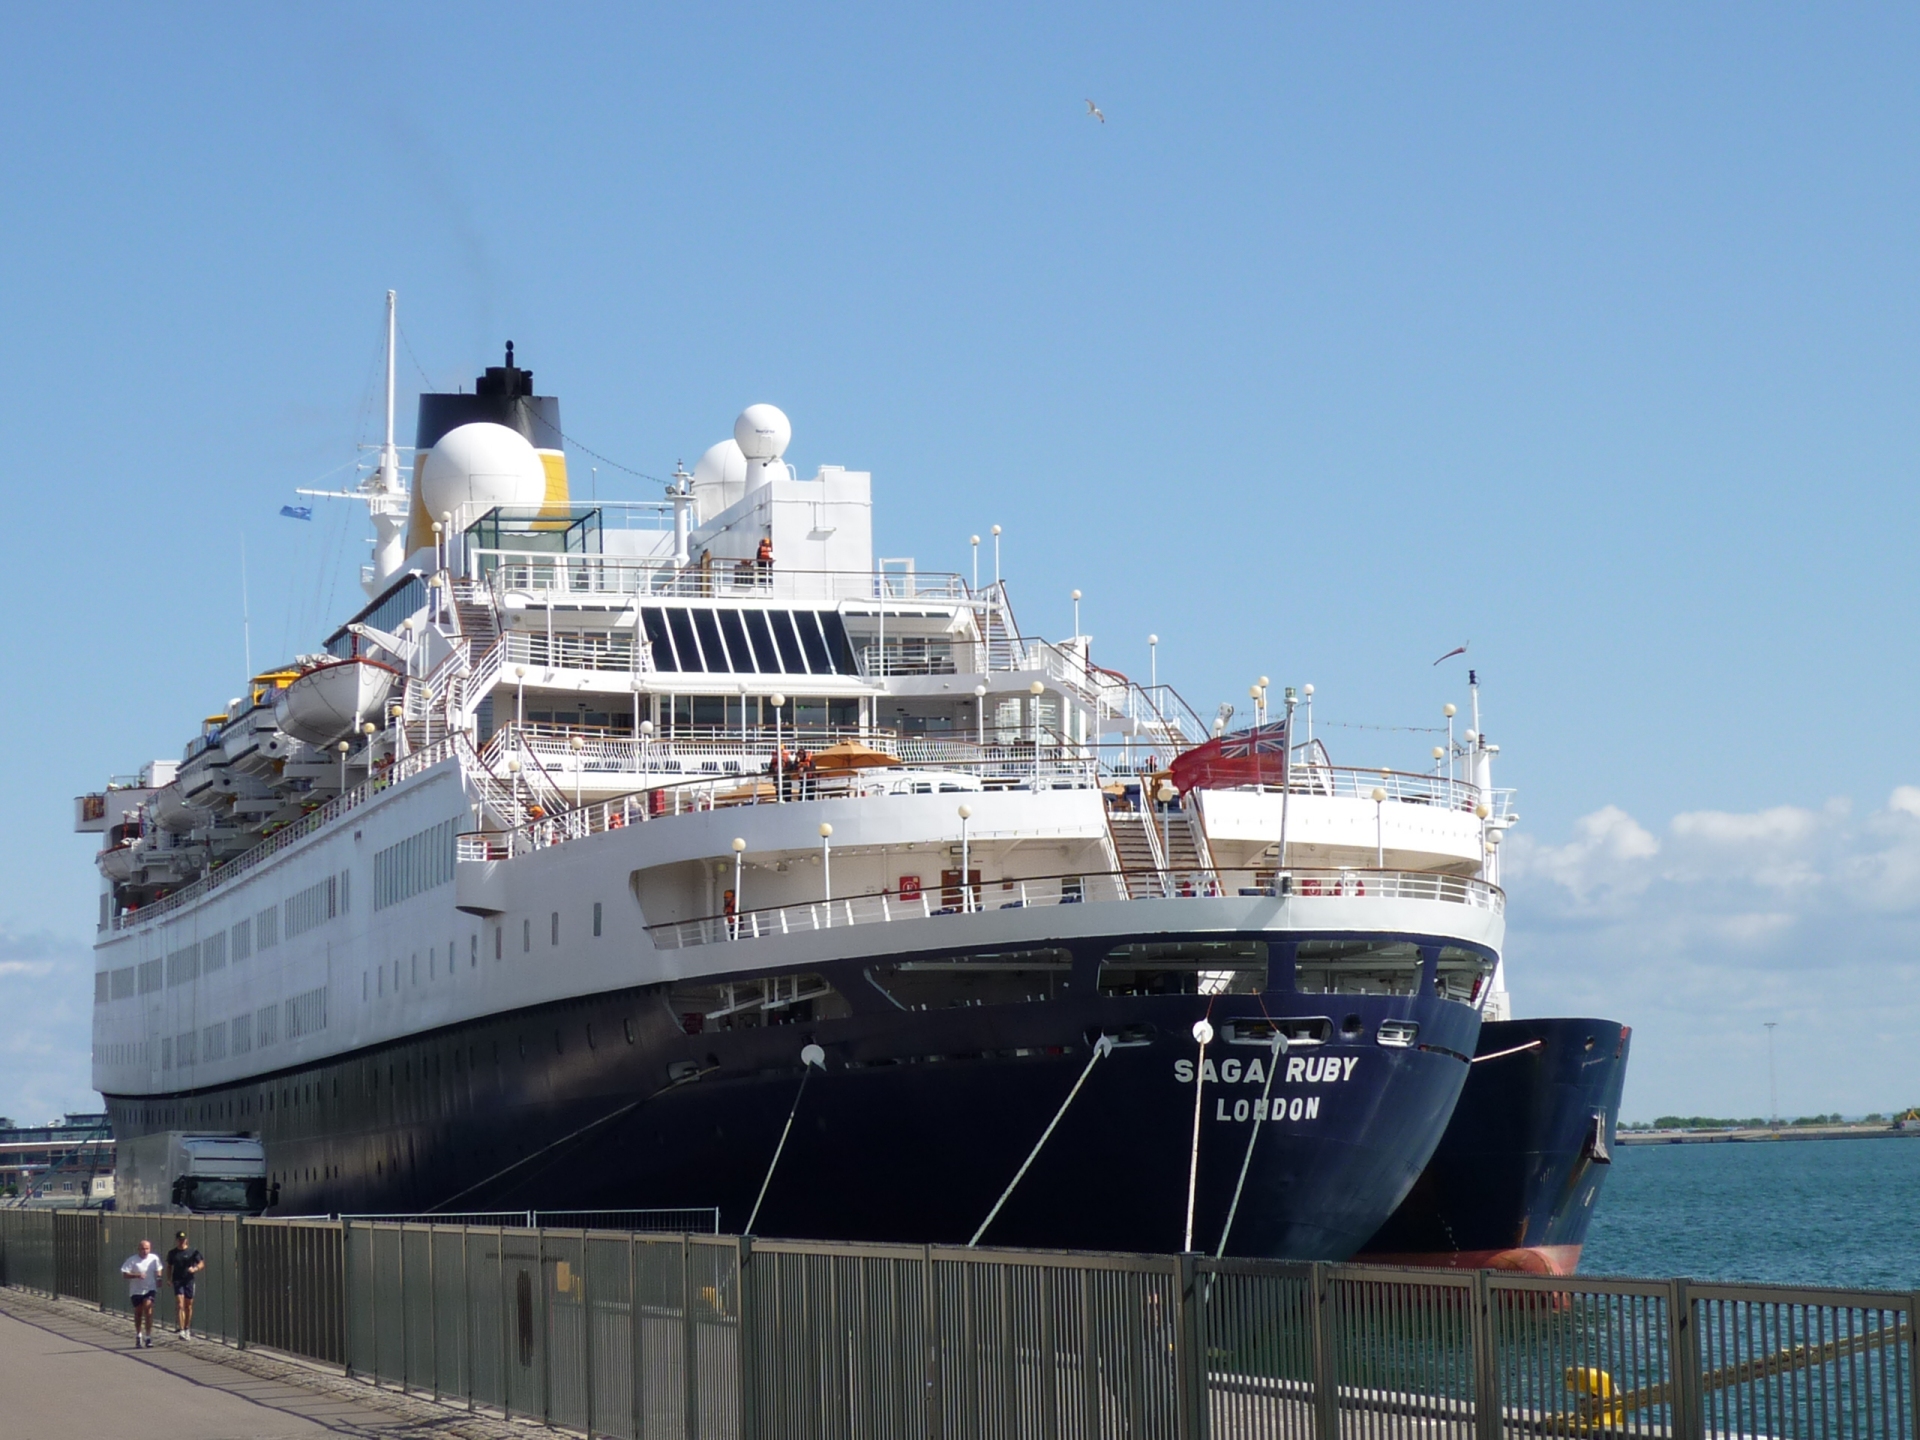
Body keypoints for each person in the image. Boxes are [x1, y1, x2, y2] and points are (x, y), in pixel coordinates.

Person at [120, 1238, 161, 1348]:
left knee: (148, 1309)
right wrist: (136, 1275)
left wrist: (159, 1278)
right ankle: (138, 1335)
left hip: (150, 1288)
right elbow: (124, 1274)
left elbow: (159, 1268)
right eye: (143, 1249)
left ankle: (148, 1336)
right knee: (138, 1312)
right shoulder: (132, 1260)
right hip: (136, 1290)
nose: (145, 1251)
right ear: (139, 1249)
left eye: (147, 1249)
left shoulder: (154, 1258)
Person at [166, 1230, 205, 1339]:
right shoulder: (172, 1253)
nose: (181, 1242)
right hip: (178, 1280)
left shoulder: (193, 1251)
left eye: (183, 1240)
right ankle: (181, 1329)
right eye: (179, 1240)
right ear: (177, 1240)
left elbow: (201, 1263)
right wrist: (169, 1279)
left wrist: (195, 1269)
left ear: (186, 1240)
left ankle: (187, 1327)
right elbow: (169, 1266)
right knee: (180, 1304)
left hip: (189, 1280)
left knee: (188, 1305)